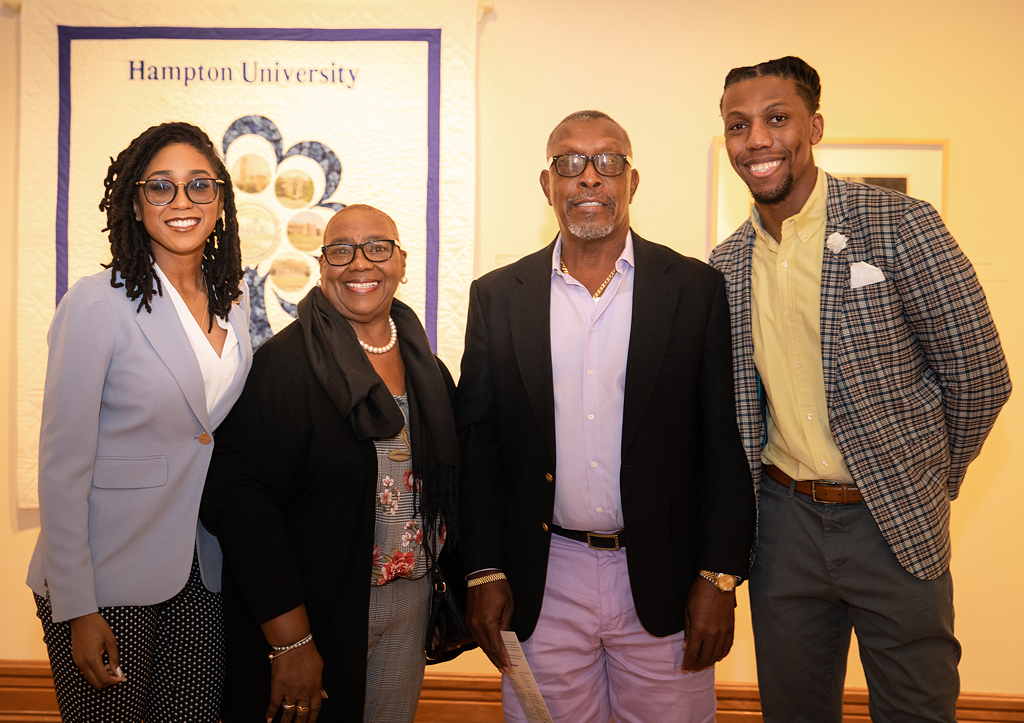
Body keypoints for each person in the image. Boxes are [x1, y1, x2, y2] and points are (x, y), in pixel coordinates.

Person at [710, 56, 1012, 722]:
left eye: (777, 118)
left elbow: (979, 375)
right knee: (793, 710)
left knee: (916, 707)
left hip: (891, 521)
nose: (756, 139)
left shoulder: (900, 224)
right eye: (738, 125)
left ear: (814, 127)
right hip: (782, 526)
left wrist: (923, 479)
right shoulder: (726, 264)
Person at [457, 110, 755, 722]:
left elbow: (723, 441)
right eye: (570, 162)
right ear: (548, 184)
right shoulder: (498, 296)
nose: (589, 176)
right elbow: (478, 446)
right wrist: (482, 569)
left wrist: (719, 575)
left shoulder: (694, 289)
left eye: (608, 161)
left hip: (666, 576)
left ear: (631, 181)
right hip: (544, 577)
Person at [200, 204, 462, 723]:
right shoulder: (284, 367)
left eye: (378, 248)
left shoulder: (428, 370)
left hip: (409, 607)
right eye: (341, 251)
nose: (360, 263)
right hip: (314, 614)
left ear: (401, 262)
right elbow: (241, 507)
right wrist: (291, 641)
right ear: (322, 267)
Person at [26, 121, 251, 722]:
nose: (182, 201)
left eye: (199, 185)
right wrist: (77, 604)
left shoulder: (234, 301)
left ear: (220, 201)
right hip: (107, 576)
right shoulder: (97, 302)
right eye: (161, 186)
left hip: (201, 571)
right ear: (134, 201)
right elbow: (62, 465)